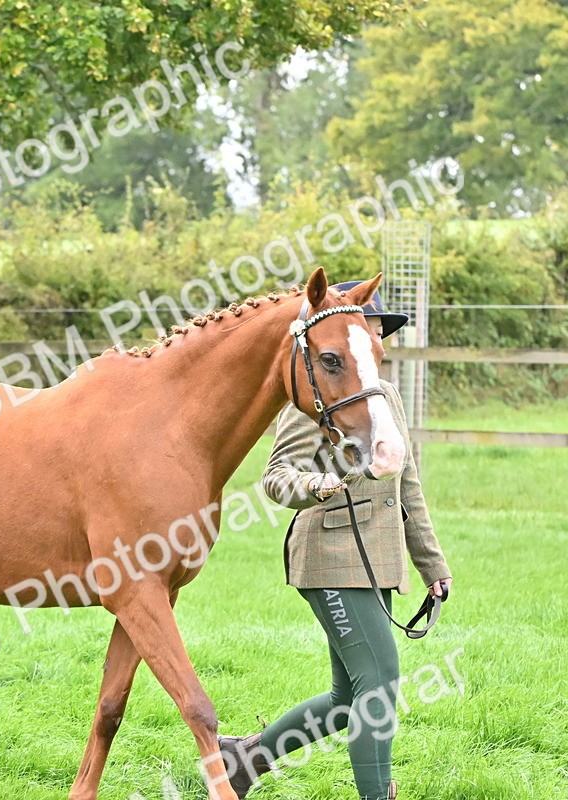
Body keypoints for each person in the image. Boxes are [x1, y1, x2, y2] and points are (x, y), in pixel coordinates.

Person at [217, 282, 452, 800]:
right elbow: (277, 475)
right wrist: (314, 484)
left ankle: (244, 760)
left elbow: (407, 487)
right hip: (329, 557)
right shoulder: (315, 399)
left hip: (377, 561)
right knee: (382, 680)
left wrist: (432, 567)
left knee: (348, 698)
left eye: (374, 334)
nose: (369, 338)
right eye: (361, 331)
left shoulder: (385, 398)